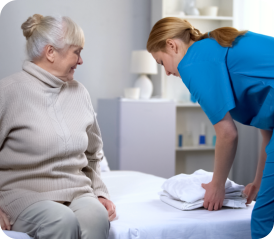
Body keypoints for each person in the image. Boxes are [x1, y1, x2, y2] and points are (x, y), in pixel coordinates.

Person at [146, 17, 274, 239]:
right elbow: (268, 127)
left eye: (161, 62)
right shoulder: (212, 46)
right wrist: (259, 182)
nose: (166, 72)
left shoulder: (192, 62)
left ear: (172, 45)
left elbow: (227, 133)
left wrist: (217, 185)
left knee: (264, 221)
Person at [0, 14, 116, 239]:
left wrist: (100, 193)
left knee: (97, 218)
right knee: (61, 220)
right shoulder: (8, 92)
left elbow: (93, 154)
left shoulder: (79, 92)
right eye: (77, 52)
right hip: (24, 195)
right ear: (50, 52)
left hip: (78, 192)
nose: (81, 61)